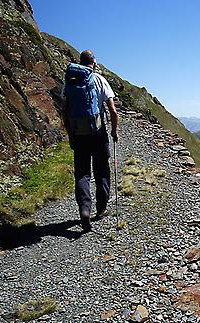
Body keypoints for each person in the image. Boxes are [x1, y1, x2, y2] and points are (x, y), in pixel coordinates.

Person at [62, 50, 118, 231]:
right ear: (93, 62)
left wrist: (70, 134)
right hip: (98, 133)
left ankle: (84, 210)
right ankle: (101, 208)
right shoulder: (99, 80)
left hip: (78, 134)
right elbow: (113, 111)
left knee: (82, 173)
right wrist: (114, 132)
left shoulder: (70, 82)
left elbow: (64, 111)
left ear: (80, 62)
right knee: (102, 170)